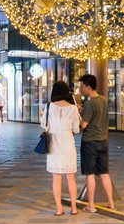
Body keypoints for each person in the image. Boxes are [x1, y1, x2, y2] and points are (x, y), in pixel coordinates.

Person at [78, 74, 115, 212]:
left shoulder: (89, 103)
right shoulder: (104, 100)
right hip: (103, 141)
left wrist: (78, 116)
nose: (80, 89)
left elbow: (84, 125)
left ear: (88, 87)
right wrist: (84, 112)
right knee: (104, 173)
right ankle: (111, 202)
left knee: (90, 174)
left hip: (89, 142)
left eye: (82, 86)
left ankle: (91, 205)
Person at [42, 80, 81, 216]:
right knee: (71, 177)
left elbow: (44, 126)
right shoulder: (73, 108)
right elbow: (76, 129)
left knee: (56, 177)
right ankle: (74, 208)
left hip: (54, 145)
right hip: (68, 145)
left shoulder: (48, 107)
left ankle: (59, 209)